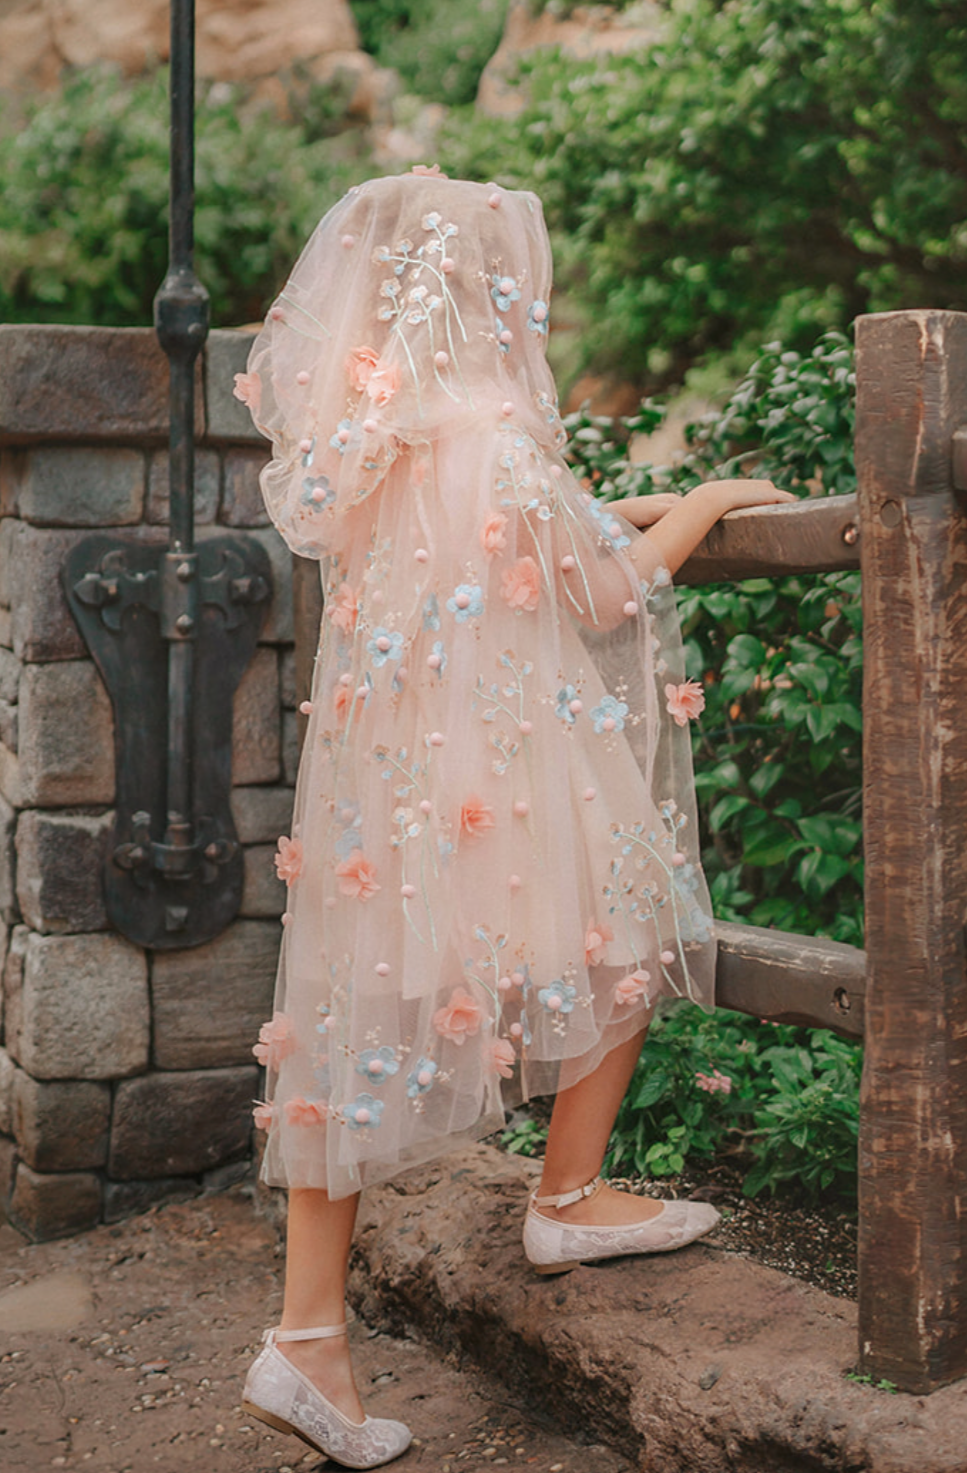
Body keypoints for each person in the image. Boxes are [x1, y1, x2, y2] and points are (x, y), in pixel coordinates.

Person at [232, 168, 794, 1468]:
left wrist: (610, 511)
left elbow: (515, 542)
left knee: (347, 1028)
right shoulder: (485, 423)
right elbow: (599, 589)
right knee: (632, 922)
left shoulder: (386, 430)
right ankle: (569, 1194)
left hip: (392, 778)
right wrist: (711, 501)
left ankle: (305, 1335)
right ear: (482, 291)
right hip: (501, 764)